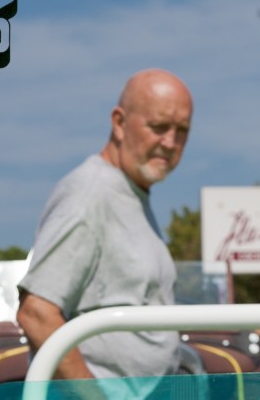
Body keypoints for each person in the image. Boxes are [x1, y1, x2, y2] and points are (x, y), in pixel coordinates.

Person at [16, 69, 195, 383]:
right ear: (119, 123)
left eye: (182, 130)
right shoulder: (90, 194)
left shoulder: (130, 194)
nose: (170, 142)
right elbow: (37, 313)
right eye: (158, 126)